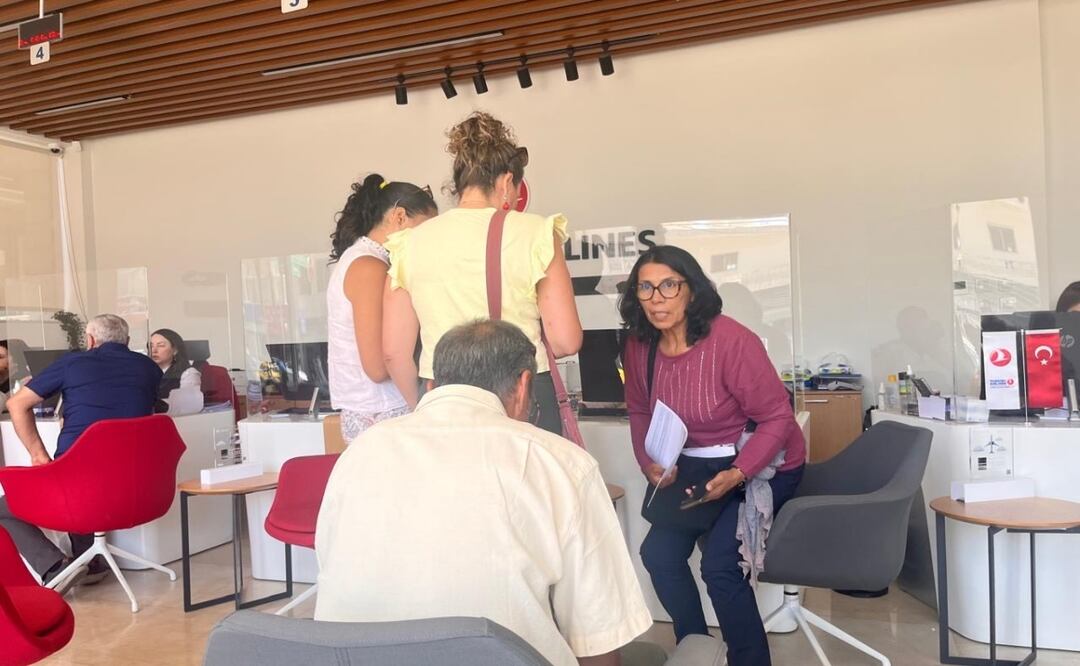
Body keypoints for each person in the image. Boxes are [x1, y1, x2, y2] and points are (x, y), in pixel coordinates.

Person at [315, 320, 652, 666]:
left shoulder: (361, 451)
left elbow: (330, 567)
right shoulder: (560, 462)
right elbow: (598, 638)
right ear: (523, 386)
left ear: (432, 385)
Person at [619, 246, 806, 666]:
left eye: (669, 285)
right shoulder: (639, 344)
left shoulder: (732, 341)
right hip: (696, 465)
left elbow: (778, 418)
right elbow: (639, 408)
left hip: (762, 464)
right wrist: (648, 460)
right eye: (645, 287)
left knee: (721, 567)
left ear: (692, 289)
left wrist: (739, 472)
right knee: (658, 556)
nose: (657, 298)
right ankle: (697, 649)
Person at [384, 111, 582, 433]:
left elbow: (394, 352)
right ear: (506, 182)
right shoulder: (536, 232)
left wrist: (421, 406)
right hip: (519, 394)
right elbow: (565, 340)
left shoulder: (410, 243)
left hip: (440, 394)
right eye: (516, 189)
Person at [1, 314, 162, 586]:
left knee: (8, 505)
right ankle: (91, 560)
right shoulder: (149, 368)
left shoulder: (73, 363)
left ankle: (55, 567)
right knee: (83, 475)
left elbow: (17, 404)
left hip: (79, 485)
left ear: (89, 340)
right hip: (136, 486)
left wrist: (38, 455)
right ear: (128, 341)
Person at [327, 174, 437, 442]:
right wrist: (424, 407)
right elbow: (377, 366)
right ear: (399, 216)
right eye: (423, 229)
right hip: (382, 412)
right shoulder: (369, 267)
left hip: (374, 411)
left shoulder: (364, 260)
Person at [149, 328, 202, 403]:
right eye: (151, 346)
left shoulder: (188, 373)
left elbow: (187, 405)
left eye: (161, 345)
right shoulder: (146, 371)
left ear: (175, 350)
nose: (154, 350)